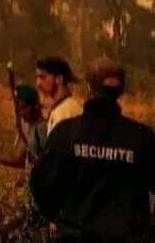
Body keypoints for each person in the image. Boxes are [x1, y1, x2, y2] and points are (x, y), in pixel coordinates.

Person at [31, 59, 155, 242]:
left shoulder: (65, 133)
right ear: (121, 90)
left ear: (89, 87)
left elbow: (41, 185)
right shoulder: (142, 137)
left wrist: (58, 216)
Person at [0, 84, 47, 169]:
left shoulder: (42, 128)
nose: (21, 113)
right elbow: (20, 161)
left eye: (24, 108)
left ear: (35, 106)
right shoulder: (32, 128)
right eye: (19, 109)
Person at [35, 57, 82, 136]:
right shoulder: (59, 109)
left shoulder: (68, 111)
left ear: (59, 79)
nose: (38, 83)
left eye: (43, 77)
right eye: (37, 78)